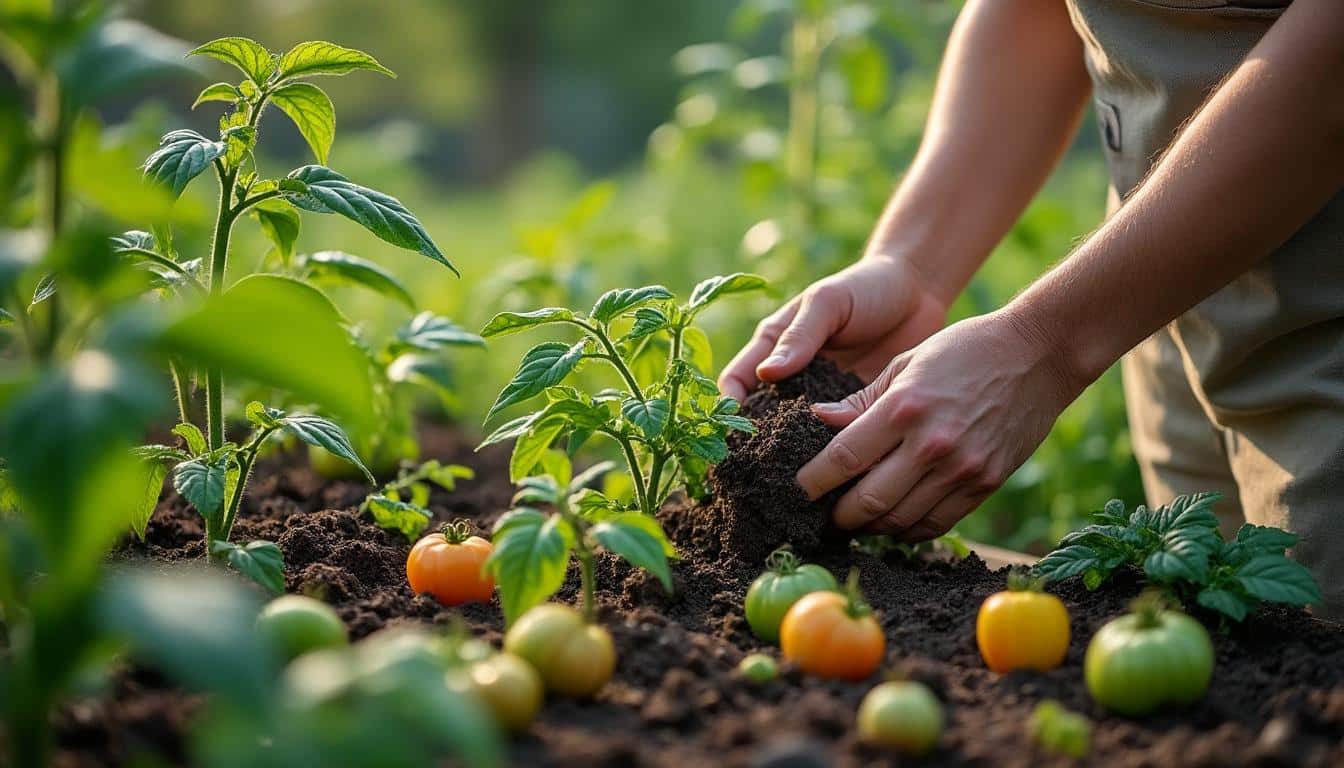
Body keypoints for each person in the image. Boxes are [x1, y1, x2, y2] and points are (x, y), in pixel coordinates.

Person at [717, 0, 1344, 619]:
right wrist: (913, 265)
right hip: (1150, 285)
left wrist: (1043, 346)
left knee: (1310, 636)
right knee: (1195, 634)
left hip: (1322, 324)